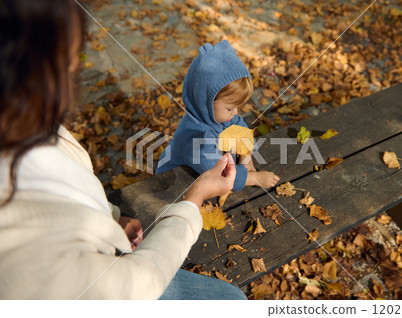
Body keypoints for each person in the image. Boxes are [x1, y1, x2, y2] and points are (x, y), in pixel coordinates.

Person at [0, 0, 246, 300]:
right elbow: (138, 286)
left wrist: (109, 218)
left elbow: (66, 192)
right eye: (69, 67)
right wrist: (198, 196)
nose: (73, 85)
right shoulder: (29, 252)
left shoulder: (30, 129)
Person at [156, 40, 280, 190]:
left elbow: (239, 128)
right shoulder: (198, 136)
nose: (235, 113)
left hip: (200, 174)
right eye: (229, 108)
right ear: (206, 103)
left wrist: (246, 156)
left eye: (237, 107)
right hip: (174, 184)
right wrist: (253, 178)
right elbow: (220, 175)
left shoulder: (217, 116)